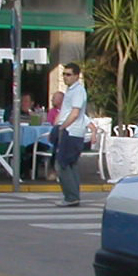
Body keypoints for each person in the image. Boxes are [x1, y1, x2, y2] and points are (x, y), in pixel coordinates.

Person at [54, 62, 89, 207]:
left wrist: (63, 126)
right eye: (64, 74)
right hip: (71, 130)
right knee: (70, 164)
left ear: (76, 76)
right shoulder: (70, 91)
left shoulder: (77, 91)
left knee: (62, 164)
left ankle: (71, 196)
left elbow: (75, 113)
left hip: (72, 131)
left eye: (68, 74)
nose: (65, 77)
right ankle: (72, 195)